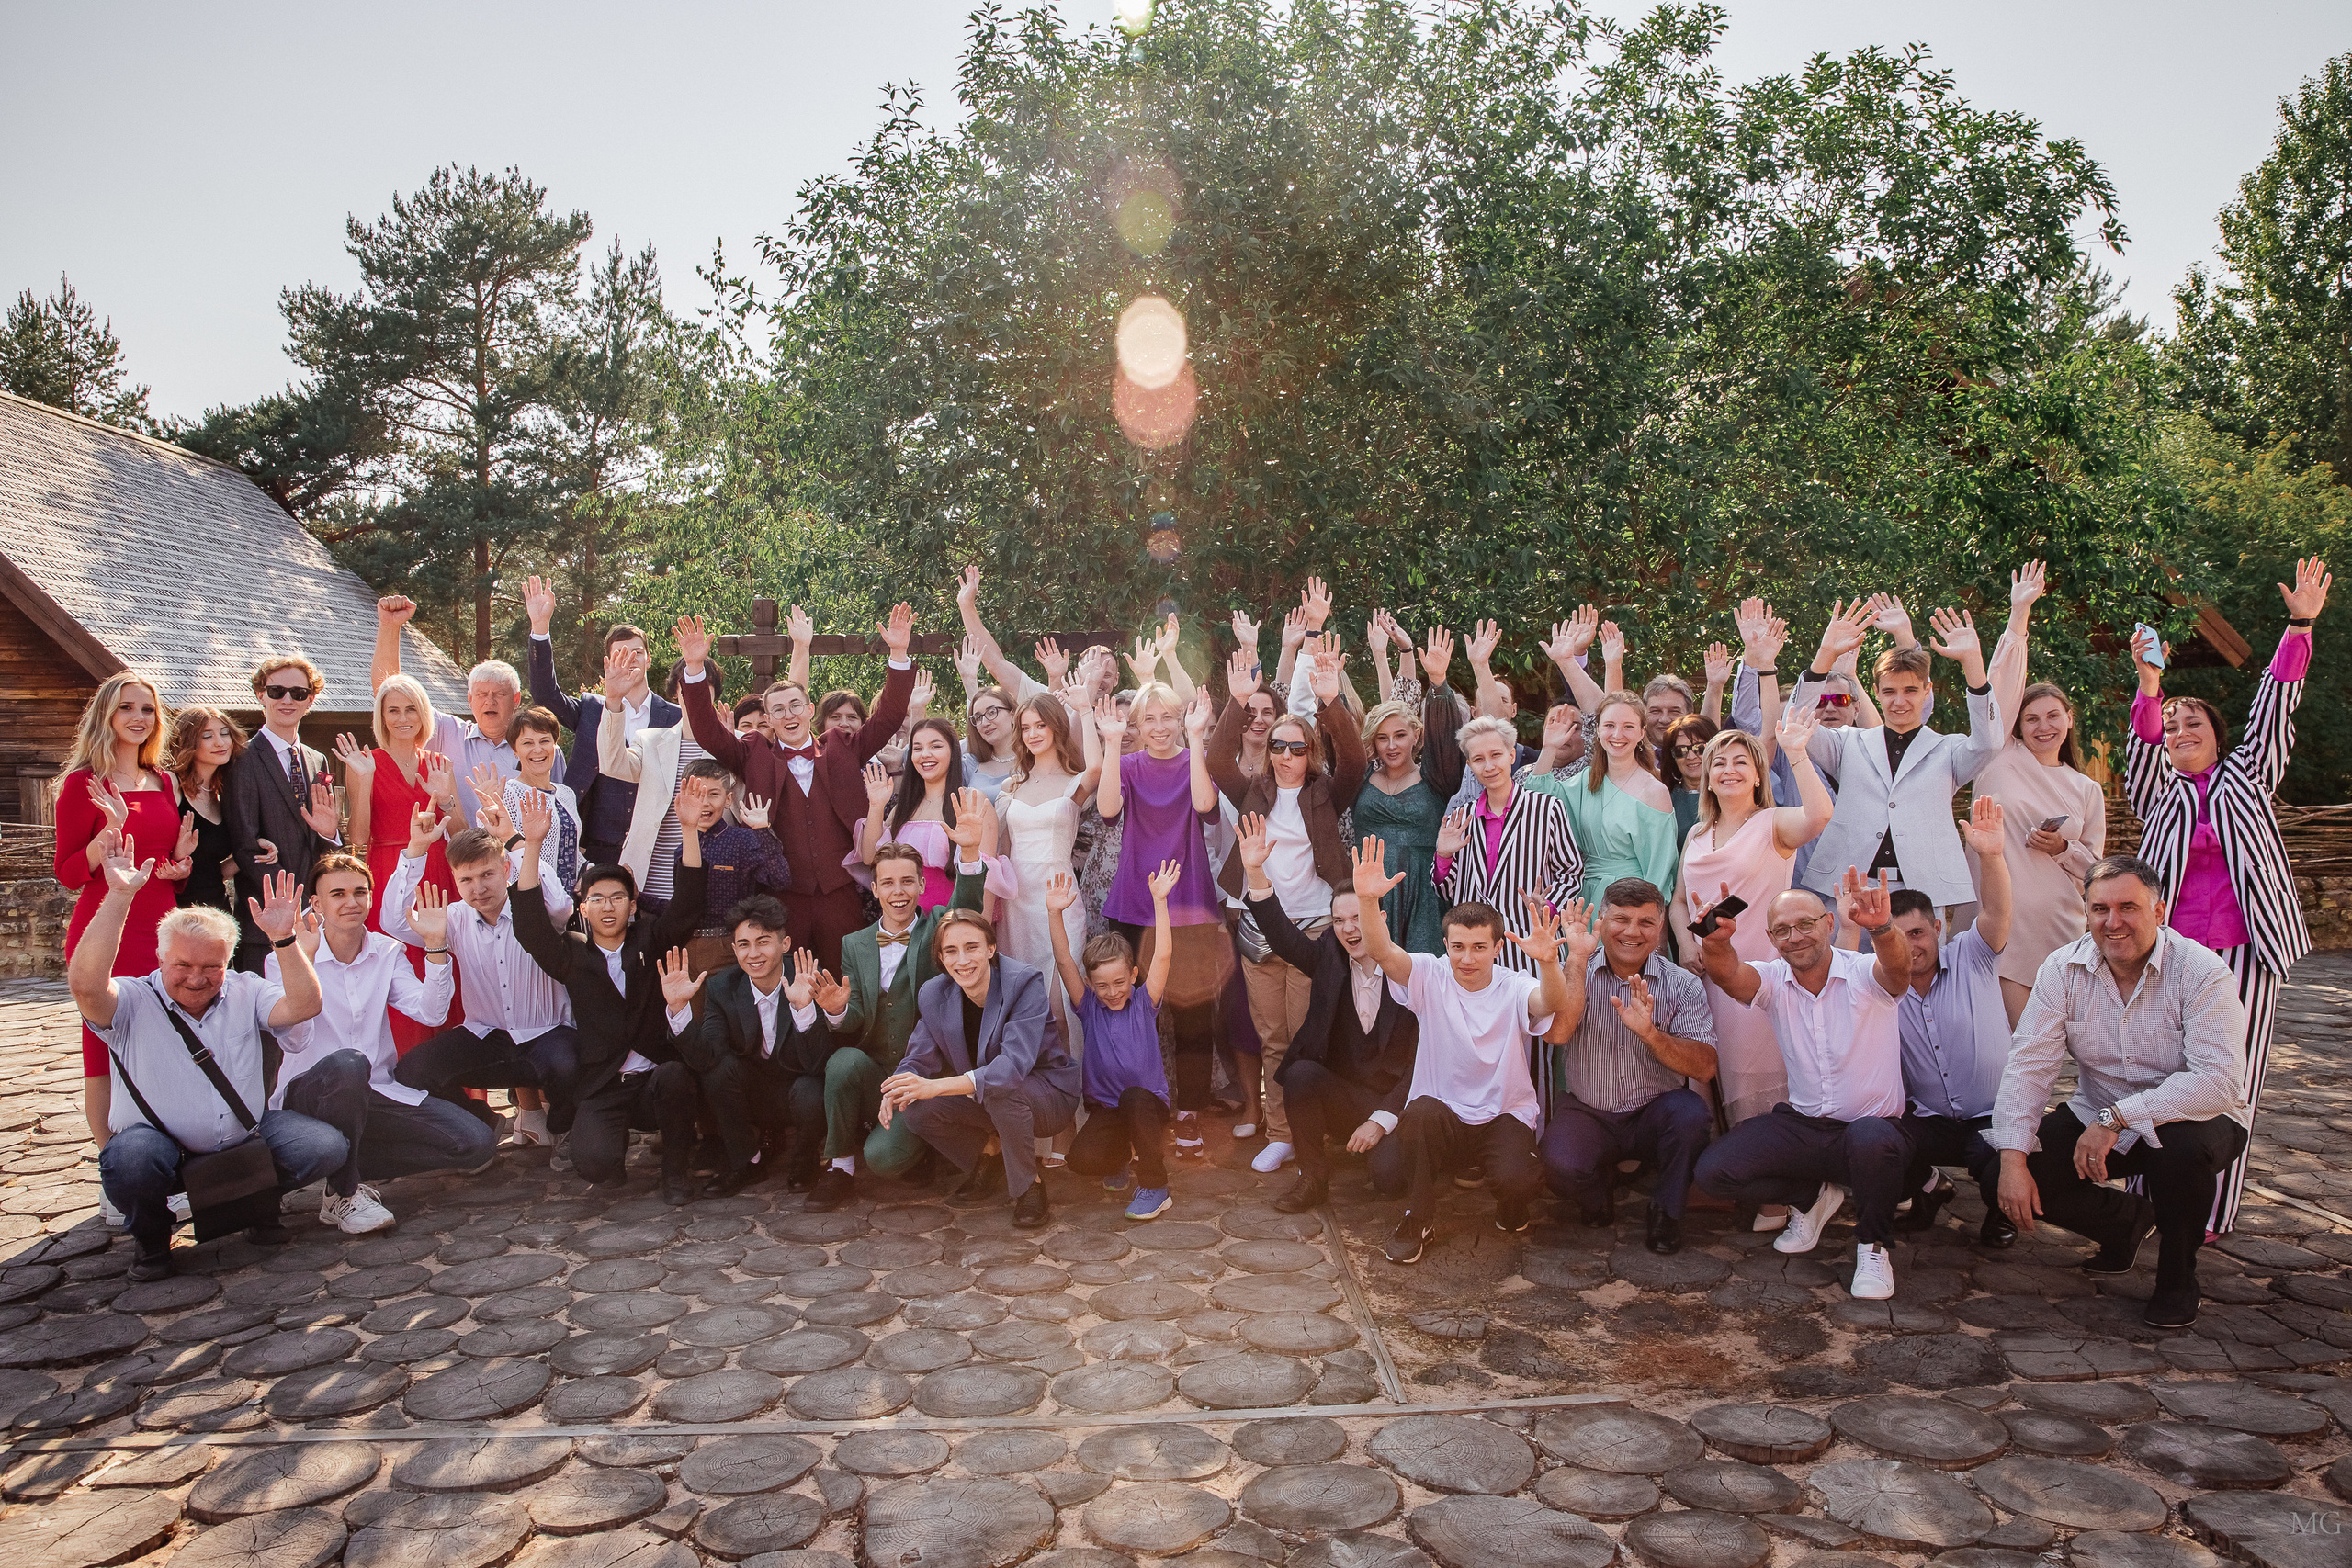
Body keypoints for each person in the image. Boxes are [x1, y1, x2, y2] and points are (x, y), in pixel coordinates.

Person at [2123, 557, 2328, 1234]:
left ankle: (2211, 1209)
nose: (2182, 734)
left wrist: (2299, 624)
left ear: (2218, 734)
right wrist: (2151, 683)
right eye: (2173, 728)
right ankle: (2141, 1198)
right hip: (2171, 953)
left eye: (2195, 725)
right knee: (2155, 1068)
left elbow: (2275, 703)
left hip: (2247, 951)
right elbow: (2144, 738)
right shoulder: (2159, 791)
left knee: (2230, 1081)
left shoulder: (2248, 775)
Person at [1992, 856, 2253, 1330]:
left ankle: (2177, 1280)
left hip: (2199, 1116)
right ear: (2085, 912)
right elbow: (2029, 1066)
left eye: (2128, 907)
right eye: (2100, 909)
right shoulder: (2062, 969)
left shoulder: (2201, 971)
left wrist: (2119, 1116)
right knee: (2001, 1166)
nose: (2113, 923)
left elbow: (2217, 1081)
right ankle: (2126, 1222)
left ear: (2160, 911)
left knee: (2179, 1153)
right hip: (2099, 1111)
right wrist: (2013, 1161)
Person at [74, 853, 335, 1280]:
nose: (197, 978)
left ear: (227, 963)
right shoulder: (133, 1000)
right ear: (160, 960)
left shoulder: (245, 988)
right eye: (183, 966)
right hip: (161, 1150)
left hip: (241, 1137)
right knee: (130, 1160)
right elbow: (85, 985)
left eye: (211, 967)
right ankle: (153, 1236)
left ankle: (251, 1202)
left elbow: (305, 1005)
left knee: (322, 1146)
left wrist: (283, 939)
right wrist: (120, 895)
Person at [1692, 871, 1911, 1300]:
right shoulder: (1774, 979)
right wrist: (1716, 941)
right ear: (1772, 938)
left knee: (1872, 1138)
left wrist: (1883, 928)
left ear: (1829, 924)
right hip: (1806, 1128)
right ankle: (1810, 1196)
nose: (1795, 937)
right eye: (1782, 930)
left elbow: (1899, 970)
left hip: (1872, 1131)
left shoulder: (1866, 972)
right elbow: (1728, 975)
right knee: (1713, 1172)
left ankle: (1873, 1246)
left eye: (1806, 924)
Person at [1352, 841, 1574, 1264]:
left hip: (1502, 1114)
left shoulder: (1514, 985)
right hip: (1443, 1115)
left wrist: (1549, 962)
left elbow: (1550, 1003)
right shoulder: (1431, 976)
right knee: (1416, 1114)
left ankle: (1511, 1208)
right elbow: (1383, 951)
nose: (1466, 958)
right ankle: (1418, 1218)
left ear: (1497, 948)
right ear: (1446, 945)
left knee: (1519, 1180)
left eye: (1477, 948)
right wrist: (1367, 900)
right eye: (1458, 947)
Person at [673, 606, 918, 970]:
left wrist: (898, 655)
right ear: (768, 720)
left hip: (840, 891)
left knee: (844, 979)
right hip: (781, 897)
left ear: (808, 709)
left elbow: (889, 716)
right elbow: (708, 731)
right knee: (788, 984)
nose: (788, 715)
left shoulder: (843, 746)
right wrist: (694, 669)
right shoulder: (752, 753)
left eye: (795, 706)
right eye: (778, 710)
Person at [264, 853, 495, 1233]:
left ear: (371, 898)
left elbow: (431, 1013)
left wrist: (435, 944)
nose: (351, 902)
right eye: (337, 894)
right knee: (349, 1064)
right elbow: (292, 1041)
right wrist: (302, 963)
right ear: (317, 904)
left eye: (360, 892)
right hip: (311, 1094)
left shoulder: (388, 952)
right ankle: (343, 1193)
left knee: (475, 1144)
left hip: (374, 1091)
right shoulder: (288, 957)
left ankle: (345, 1162)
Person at [1210, 646, 1368, 1175]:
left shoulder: (1328, 794)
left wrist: (1330, 703)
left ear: (1310, 752)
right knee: (1272, 1039)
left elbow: (1357, 761)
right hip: (1260, 929)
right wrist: (1235, 706)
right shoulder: (1253, 790)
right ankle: (1281, 1135)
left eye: (1296, 748)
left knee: (1307, 1038)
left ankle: (1309, 1138)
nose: (1284, 755)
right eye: (1277, 745)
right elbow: (1214, 761)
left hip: (1315, 929)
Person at [511, 790, 709, 1203]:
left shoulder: (651, 939)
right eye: (597, 898)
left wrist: (689, 831)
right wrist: (530, 845)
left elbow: (688, 904)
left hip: (656, 1078)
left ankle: (676, 1171)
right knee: (595, 1165)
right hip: (604, 1083)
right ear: (583, 907)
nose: (608, 906)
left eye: (617, 897)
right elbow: (530, 926)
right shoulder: (572, 954)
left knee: (676, 1077)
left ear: (632, 904)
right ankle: (611, 1147)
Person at [1234, 820, 1417, 1216]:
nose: (1349, 929)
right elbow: (1282, 936)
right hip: (1345, 1096)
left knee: (1390, 1182)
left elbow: (1423, 1065)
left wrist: (1382, 1120)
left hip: (1395, 1104)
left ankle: (1388, 1152)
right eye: (1338, 921)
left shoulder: (1413, 973)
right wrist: (1254, 872)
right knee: (1300, 1072)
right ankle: (1312, 1178)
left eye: (1357, 918)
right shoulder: (1328, 960)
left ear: (1379, 919)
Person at [817, 813, 994, 1210]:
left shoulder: (937, 927)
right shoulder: (854, 944)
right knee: (843, 1062)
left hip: (929, 1077)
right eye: (889, 883)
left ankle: (932, 1144)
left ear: (922, 885)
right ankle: (840, 1167)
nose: (899, 892)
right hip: (878, 1072)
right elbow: (856, 1019)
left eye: (907, 882)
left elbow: (966, 905)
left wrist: (968, 851)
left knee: (884, 1159)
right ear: (875, 889)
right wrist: (838, 1011)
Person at [1789, 600, 1998, 923]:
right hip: (1848, 888)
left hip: (1922, 890)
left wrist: (1973, 663)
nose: (1899, 701)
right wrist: (1825, 654)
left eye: (1911, 690)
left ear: (1927, 692)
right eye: (1889, 692)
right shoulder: (1847, 743)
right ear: (1875, 691)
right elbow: (1796, 720)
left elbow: (1989, 742)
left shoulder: (1948, 750)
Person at [1541, 879, 1718, 1256]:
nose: (1632, 932)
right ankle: (1597, 1193)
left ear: (1661, 927)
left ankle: (1666, 1210)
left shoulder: (1682, 984)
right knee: (1559, 1164)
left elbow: (1705, 1068)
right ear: (1600, 922)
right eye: (1621, 919)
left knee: (1691, 1117)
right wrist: (1575, 959)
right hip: (1589, 1110)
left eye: (1646, 922)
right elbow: (1556, 1035)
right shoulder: (1574, 971)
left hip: (1654, 1111)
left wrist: (1651, 1035)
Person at [1673, 714, 1833, 1128]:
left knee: (1755, 1075)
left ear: (1759, 777)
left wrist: (1796, 754)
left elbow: (1819, 816)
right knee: (1715, 1073)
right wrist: (1688, 946)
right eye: (1720, 763)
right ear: (1707, 778)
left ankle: (1779, 1175)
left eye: (1741, 762)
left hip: (1757, 976)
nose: (1729, 770)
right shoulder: (1695, 834)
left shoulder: (1773, 824)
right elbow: (1677, 902)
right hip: (1705, 976)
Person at [59, 673, 196, 1156]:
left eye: (147, 709)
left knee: (166, 1041)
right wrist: (107, 833)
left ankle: (168, 1156)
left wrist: (178, 867)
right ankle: (111, 1165)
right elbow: (70, 873)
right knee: (103, 1051)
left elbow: (158, 865)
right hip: (106, 927)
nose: (139, 718)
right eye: (127, 708)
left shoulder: (165, 780)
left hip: (163, 927)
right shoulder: (83, 785)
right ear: (106, 716)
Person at [878, 910, 1082, 1230]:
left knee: (1002, 1092)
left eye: (971, 947)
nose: (962, 960)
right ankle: (992, 1154)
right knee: (917, 1108)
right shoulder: (934, 994)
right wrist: (898, 1087)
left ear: (991, 948)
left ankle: (1030, 1186)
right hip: (988, 1097)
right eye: (951, 951)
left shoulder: (1023, 983)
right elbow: (918, 1058)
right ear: (941, 959)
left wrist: (935, 1086)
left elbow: (1011, 1069)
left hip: (1048, 1096)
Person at [1094, 684, 1227, 1157]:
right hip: (1133, 903)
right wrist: (1111, 743)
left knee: (1191, 1014)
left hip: (1189, 903)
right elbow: (1108, 811)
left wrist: (1195, 741)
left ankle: (1190, 1110)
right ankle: (1137, 1109)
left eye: (1166, 717)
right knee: (1128, 1014)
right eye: (1147, 720)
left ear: (1181, 719)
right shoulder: (1127, 765)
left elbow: (1205, 806)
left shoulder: (1195, 758)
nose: (1157, 727)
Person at [387, 813, 578, 1138]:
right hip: (486, 1037)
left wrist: (513, 839)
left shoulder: (535, 906)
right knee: (411, 1071)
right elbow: (394, 922)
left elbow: (561, 905)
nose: (478, 888)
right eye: (467, 879)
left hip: (548, 1034)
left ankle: (563, 1131)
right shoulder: (455, 918)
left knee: (568, 1065)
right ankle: (480, 1122)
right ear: (455, 879)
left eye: (487, 874)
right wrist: (417, 849)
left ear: (506, 870)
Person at [1886, 798, 2018, 1248]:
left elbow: (1998, 913)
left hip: (1992, 1115)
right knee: (1878, 1141)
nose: (1910, 948)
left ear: (1938, 927)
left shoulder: (1972, 955)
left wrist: (1991, 855)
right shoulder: (1880, 981)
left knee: (1997, 1158)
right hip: (1931, 1120)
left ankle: (2001, 1214)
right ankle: (1929, 1189)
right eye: (1896, 937)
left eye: (1918, 933)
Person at [1977, 561, 2105, 1023]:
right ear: (2017, 725)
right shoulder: (1999, 758)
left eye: (2053, 716)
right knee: (2012, 1047)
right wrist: (2019, 616)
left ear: (2069, 720)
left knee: (2052, 1051)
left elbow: (2095, 869)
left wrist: (2064, 848)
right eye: (2031, 718)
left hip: (2061, 926)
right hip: (2003, 925)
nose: (2043, 726)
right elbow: (2001, 688)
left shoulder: (2087, 788)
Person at [332, 674, 463, 1055]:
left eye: (411, 709)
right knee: (396, 967)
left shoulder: (440, 763)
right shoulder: (365, 763)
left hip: (439, 872)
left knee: (442, 963)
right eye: (393, 710)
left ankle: (452, 1080)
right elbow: (357, 837)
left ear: (424, 714)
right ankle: (401, 1069)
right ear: (382, 716)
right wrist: (366, 779)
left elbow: (463, 834)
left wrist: (446, 799)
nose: (403, 718)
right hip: (389, 870)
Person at [669, 897, 830, 1195]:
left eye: (763, 942)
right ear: (734, 950)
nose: (753, 954)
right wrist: (680, 1010)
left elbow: (819, 1063)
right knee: (719, 1071)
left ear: (785, 944)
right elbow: (707, 1058)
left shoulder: (808, 978)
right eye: (743, 944)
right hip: (752, 1093)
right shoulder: (722, 987)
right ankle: (747, 1162)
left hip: (800, 1087)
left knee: (812, 1090)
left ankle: (805, 1158)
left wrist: (803, 1009)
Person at [521, 576, 682, 869]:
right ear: (608, 662)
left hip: (657, 848)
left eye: (637, 652)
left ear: (648, 659)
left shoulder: (675, 716)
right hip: (597, 847)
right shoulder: (591, 710)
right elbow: (545, 694)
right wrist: (540, 628)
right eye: (620, 654)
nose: (630, 660)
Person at [1051, 863, 1182, 1220]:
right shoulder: (1089, 1008)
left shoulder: (1143, 1002)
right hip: (1107, 1110)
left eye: (1120, 982)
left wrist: (1160, 903)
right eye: (1102, 985)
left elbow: (1164, 955)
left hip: (1147, 1106)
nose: (1112, 992)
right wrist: (1054, 913)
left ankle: (1155, 1186)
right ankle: (1121, 1154)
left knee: (1134, 1097)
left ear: (1134, 975)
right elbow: (1064, 962)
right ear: (1092, 985)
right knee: (1080, 1161)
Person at [371, 595, 552, 825]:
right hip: (459, 856)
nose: (490, 702)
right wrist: (390, 627)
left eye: (499, 694)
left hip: (520, 857)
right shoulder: (449, 732)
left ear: (516, 699)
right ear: (469, 699)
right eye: (481, 695)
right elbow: (389, 691)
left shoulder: (539, 749)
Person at [991, 686, 1101, 1057]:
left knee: (1062, 1005)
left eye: (1041, 725)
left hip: (1060, 896)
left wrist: (1085, 709)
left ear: (1056, 727)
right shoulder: (1011, 786)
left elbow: (1098, 768)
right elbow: (1000, 848)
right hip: (1017, 902)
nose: (1033, 733)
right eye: (1025, 727)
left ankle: (1075, 1099)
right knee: (1024, 1008)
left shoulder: (1075, 782)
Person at [1433, 716, 1583, 987]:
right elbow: (1446, 892)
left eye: (1496, 755)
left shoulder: (1547, 809)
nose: (1489, 766)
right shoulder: (1461, 817)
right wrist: (1443, 857)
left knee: (1535, 1024)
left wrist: (1548, 906)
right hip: (1475, 955)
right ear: (1469, 765)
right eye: (1478, 759)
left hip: (1529, 946)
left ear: (1512, 755)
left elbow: (1571, 873)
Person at [226, 654, 342, 972]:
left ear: (311, 700)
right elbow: (247, 846)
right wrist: (296, 908)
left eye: (298, 693)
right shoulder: (242, 760)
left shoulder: (318, 761)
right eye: (277, 691)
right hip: (267, 924)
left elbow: (326, 842)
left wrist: (330, 833)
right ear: (261, 695)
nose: (287, 699)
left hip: (318, 924)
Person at [1352, 658, 1468, 958]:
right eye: (1382, 738)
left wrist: (1439, 683)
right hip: (1370, 890)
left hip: (1425, 894)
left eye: (1400, 735)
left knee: (1422, 973)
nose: (1391, 745)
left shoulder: (1436, 777)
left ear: (1416, 736)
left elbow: (1446, 736)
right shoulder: (1361, 779)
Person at [594, 642, 715, 918]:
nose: (695, 702)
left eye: (702, 695)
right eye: (687, 694)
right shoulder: (650, 741)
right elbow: (612, 764)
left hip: (709, 887)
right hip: (649, 887)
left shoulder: (734, 746)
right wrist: (613, 700)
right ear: (675, 694)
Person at [1536, 693, 1677, 914]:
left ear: (1642, 732)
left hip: (1631, 904)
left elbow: (1660, 872)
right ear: (1598, 730)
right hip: (1585, 899)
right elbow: (1538, 801)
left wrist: (1644, 919)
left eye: (1628, 726)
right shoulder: (1585, 781)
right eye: (1610, 725)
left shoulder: (1654, 792)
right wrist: (1549, 747)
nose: (1618, 734)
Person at [852, 719, 1014, 909]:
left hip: (954, 920)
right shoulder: (904, 808)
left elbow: (985, 878)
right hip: (906, 919)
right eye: (917, 748)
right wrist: (876, 806)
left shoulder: (971, 800)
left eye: (935, 746)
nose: (925, 755)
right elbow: (871, 858)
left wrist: (979, 932)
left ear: (953, 752)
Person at [678, 760, 794, 982]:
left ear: (728, 798)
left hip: (729, 948)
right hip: (688, 949)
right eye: (697, 795)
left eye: (713, 794)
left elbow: (780, 879)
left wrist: (761, 829)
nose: (704, 803)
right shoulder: (681, 848)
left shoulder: (742, 839)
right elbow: (682, 905)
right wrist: (638, 897)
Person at [168, 705, 244, 915]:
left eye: (225, 733)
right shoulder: (171, 785)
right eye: (207, 736)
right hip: (176, 913)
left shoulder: (223, 795)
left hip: (217, 911)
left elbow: (210, 870)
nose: (220, 742)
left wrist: (251, 849)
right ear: (188, 742)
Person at [1660, 714, 1720, 845]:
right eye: (1680, 750)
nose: (1691, 756)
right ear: (1672, 757)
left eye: (1700, 748)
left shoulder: (1731, 794)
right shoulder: (1664, 799)